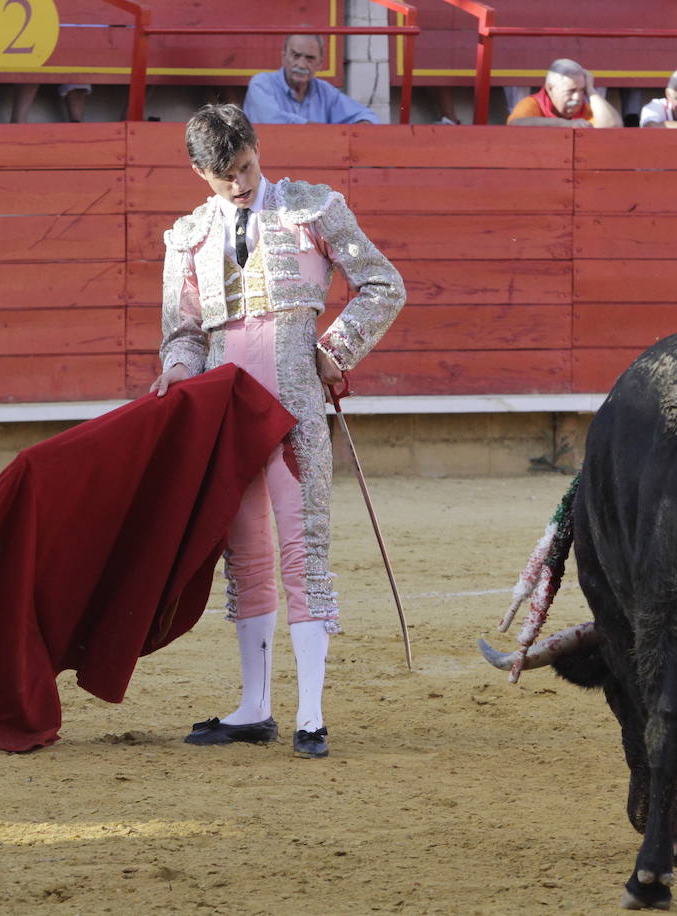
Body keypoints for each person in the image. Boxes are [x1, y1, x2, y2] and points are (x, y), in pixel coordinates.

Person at [150, 104, 404, 759]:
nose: (239, 184)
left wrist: (337, 347)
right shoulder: (187, 239)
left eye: (246, 168)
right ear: (198, 173)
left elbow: (383, 284)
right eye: (223, 176)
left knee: (303, 553)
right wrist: (178, 369)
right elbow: (181, 331)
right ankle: (255, 706)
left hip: (293, 412)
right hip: (226, 420)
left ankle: (311, 714)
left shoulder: (312, 209)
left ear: (258, 149)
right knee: (248, 559)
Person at [243, 34, 378, 125]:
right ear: (283, 57)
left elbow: (367, 117)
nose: (302, 64)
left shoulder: (325, 91)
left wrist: (362, 127)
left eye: (310, 58)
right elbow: (271, 120)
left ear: (320, 64)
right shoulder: (261, 84)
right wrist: (318, 130)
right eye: (296, 55)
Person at [507, 59, 622, 128]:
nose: (577, 98)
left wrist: (591, 90)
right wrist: (566, 124)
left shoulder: (586, 109)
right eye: (571, 91)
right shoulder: (533, 103)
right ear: (550, 88)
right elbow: (516, 123)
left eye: (581, 90)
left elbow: (613, 125)